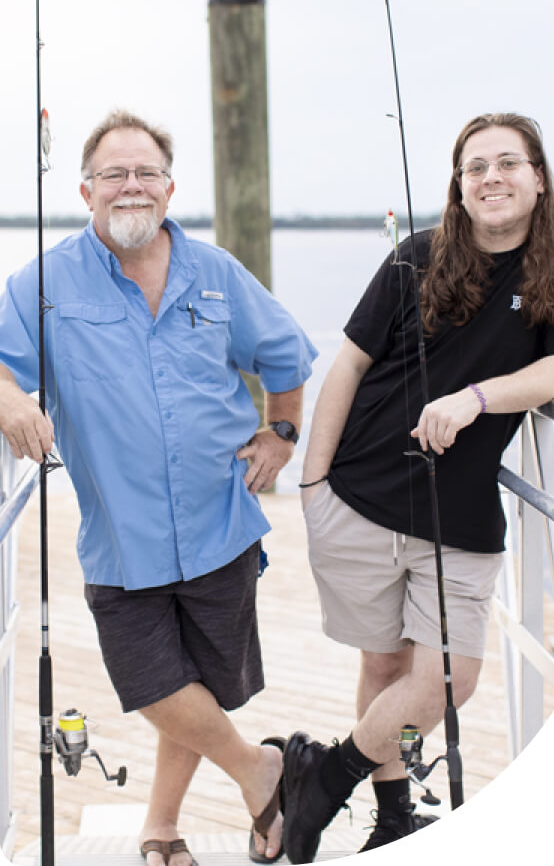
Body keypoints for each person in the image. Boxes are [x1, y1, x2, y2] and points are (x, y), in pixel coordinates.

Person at [281, 112, 554, 861]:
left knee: (448, 680)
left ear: (537, 176)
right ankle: (392, 818)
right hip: (357, 496)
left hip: (458, 512)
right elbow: (349, 367)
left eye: (506, 163)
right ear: (458, 186)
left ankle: (324, 775)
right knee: (385, 668)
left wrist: (475, 398)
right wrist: (311, 484)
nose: (490, 178)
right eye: (473, 168)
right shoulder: (417, 257)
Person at [0, 110, 317, 866]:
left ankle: (161, 827)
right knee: (150, 685)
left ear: (170, 188)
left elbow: (286, 355)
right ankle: (261, 771)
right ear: (85, 190)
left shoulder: (217, 273)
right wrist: (12, 399)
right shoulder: (42, 283)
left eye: (145, 172)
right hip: (120, 532)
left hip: (220, 517)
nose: (131, 185)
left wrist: (282, 435)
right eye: (114, 173)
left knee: (204, 686)